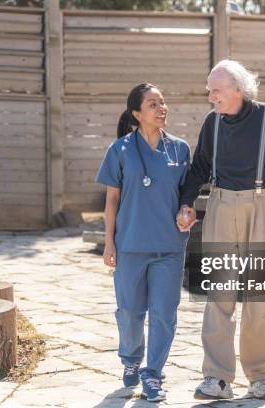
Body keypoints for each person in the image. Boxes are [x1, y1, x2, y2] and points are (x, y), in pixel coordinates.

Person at [176, 60, 265, 400]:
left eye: (216, 90)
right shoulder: (213, 123)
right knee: (219, 296)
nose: (211, 97)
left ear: (238, 89)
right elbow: (199, 168)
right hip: (222, 205)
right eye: (210, 91)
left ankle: (260, 377)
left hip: (264, 207)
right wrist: (187, 202)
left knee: (258, 298)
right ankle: (217, 378)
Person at [96, 83, 191, 402]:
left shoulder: (180, 149)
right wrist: (109, 243)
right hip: (130, 245)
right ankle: (131, 359)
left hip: (169, 247)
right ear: (136, 114)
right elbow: (111, 201)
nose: (162, 108)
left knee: (165, 312)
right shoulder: (119, 150)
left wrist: (186, 211)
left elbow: (186, 197)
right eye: (153, 104)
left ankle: (153, 374)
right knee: (129, 312)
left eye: (163, 103)